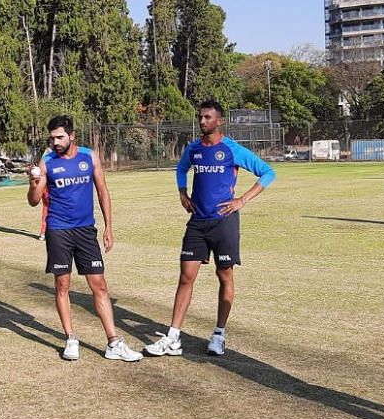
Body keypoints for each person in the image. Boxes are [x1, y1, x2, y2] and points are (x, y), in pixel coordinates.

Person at [142, 101, 276, 359]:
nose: (202, 121)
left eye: (207, 117)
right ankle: (173, 337)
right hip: (197, 223)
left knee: (224, 276)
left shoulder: (232, 149)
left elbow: (268, 173)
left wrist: (241, 200)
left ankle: (219, 335)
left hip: (224, 223)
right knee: (185, 277)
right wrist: (182, 192)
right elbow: (181, 168)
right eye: (200, 117)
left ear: (219, 121)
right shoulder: (193, 149)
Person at [29, 115, 140, 362]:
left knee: (99, 285)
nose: (55, 142)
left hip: (86, 230)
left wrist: (109, 227)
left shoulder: (89, 157)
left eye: (60, 137)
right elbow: (34, 200)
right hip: (58, 230)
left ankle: (113, 342)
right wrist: (34, 183)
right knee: (62, 285)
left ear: (72, 136)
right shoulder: (47, 161)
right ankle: (70, 339)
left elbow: (102, 192)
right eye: (52, 137)